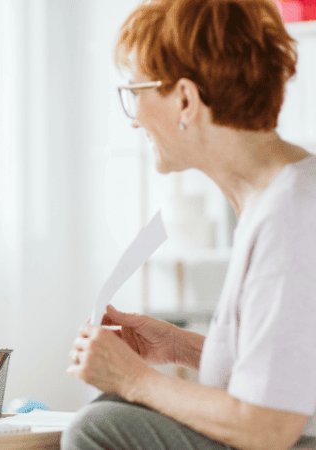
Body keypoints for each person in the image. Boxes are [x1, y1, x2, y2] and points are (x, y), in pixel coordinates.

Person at [62, 1, 316, 449]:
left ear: (185, 99)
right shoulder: (275, 199)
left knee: (97, 428)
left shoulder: (292, 215)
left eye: (137, 91)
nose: (134, 115)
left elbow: (269, 427)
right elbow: (290, 375)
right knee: (110, 411)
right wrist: (179, 347)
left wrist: (135, 379)